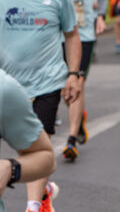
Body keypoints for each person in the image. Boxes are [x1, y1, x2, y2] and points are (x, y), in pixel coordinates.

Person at [0, 0, 81, 212]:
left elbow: (71, 35)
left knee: (36, 147)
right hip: (6, 86)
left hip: (46, 83)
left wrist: (73, 74)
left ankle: (34, 204)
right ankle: (41, 190)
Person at [42, 0, 108, 160]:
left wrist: (100, 16)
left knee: (76, 81)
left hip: (83, 36)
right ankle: (77, 120)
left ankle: (71, 139)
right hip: (54, 37)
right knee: (60, 86)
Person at [0, 69, 57, 212]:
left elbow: (46, 158)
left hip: (44, 82)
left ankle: (35, 204)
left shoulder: (4, 89)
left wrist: (10, 168)